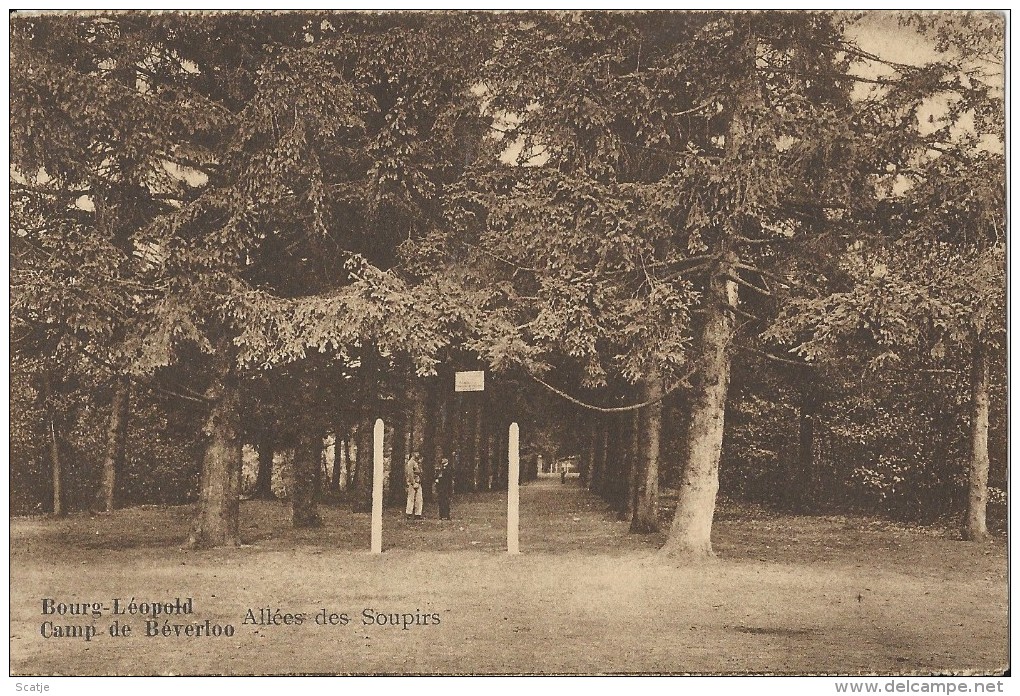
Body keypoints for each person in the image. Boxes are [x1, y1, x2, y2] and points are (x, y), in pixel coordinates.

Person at [405, 453, 423, 521]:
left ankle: (418, 514)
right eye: (416, 452)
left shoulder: (417, 462)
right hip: (413, 483)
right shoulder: (411, 462)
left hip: (418, 482)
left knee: (419, 499)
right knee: (411, 498)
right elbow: (410, 473)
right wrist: (413, 482)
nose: (418, 454)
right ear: (413, 454)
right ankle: (409, 514)